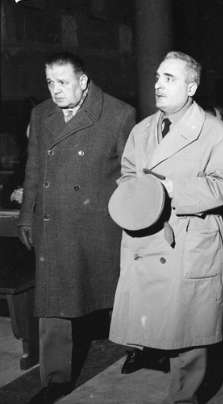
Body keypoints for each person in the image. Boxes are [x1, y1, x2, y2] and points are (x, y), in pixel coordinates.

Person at [108, 51, 223, 404]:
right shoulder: (141, 131)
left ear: (192, 87)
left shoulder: (215, 132)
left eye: (169, 78)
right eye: (157, 77)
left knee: (188, 332)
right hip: (146, 235)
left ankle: (184, 398)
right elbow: (127, 174)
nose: (158, 84)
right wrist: (136, 197)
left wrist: (174, 189)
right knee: (159, 323)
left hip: (189, 238)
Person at [17, 52, 136, 404]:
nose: (55, 90)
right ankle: (56, 378)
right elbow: (34, 169)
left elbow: (132, 177)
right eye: (49, 82)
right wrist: (26, 216)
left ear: (83, 81)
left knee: (117, 293)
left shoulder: (118, 113)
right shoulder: (41, 114)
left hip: (99, 227)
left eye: (63, 82)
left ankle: (138, 345)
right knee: (53, 301)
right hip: (54, 224)